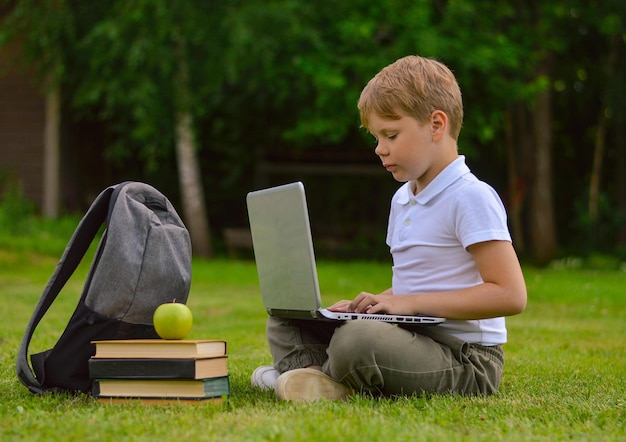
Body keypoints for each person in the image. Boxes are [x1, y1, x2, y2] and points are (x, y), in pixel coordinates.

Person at [251, 55, 527, 401]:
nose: (380, 149)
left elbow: (510, 294)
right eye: (377, 138)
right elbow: (418, 286)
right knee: (287, 320)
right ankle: (320, 381)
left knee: (358, 339)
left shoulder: (470, 196)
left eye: (391, 135)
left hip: (466, 359)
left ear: (436, 125)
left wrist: (409, 304)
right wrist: (379, 302)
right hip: (414, 338)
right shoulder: (402, 199)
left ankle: (310, 377)